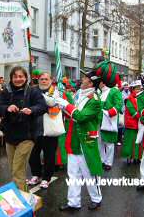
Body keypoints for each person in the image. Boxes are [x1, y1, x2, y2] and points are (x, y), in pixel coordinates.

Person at [56, 69, 103, 212]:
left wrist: (66, 104)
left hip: (86, 140)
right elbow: (74, 115)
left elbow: (81, 117)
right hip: (74, 139)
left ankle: (96, 199)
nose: (81, 80)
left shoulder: (94, 100)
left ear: (90, 83)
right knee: (73, 173)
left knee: (89, 173)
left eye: (84, 79)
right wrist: (63, 107)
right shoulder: (78, 95)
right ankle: (73, 202)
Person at [0, 66, 47, 191]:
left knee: (17, 169)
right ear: (11, 78)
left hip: (27, 136)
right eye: (15, 76)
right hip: (10, 136)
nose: (18, 79)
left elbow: (42, 106)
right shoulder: (6, 91)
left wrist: (31, 110)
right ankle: (24, 196)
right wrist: (7, 108)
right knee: (14, 169)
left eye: (21, 76)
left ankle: (21, 201)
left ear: (26, 77)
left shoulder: (33, 91)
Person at [28, 72, 61, 189]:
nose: (43, 81)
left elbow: (54, 104)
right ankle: (36, 174)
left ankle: (46, 178)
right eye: (41, 79)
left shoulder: (55, 91)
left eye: (46, 79)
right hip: (34, 129)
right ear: (38, 80)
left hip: (50, 130)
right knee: (33, 155)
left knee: (49, 156)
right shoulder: (32, 90)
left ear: (50, 80)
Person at [98, 62, 122, 171]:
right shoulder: (99, 93)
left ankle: (109, 162)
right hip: (99, 122)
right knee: (101, 142)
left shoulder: (114, 91)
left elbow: (119, 105)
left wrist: (108, 113)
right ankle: (102, 160)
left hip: (109, 121)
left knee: (109, 143)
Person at [122, 80, 143, 164]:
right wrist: (143, 116)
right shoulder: (129, 99)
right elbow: (133, 112)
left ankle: (137, 157)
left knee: (138, 142)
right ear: (132, 90)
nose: (138, 90)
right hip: (131, 125)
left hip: (139, 124)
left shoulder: (141, 98)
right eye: (136, 89)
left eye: (139, 89)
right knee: (130, 141)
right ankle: (129, 156)